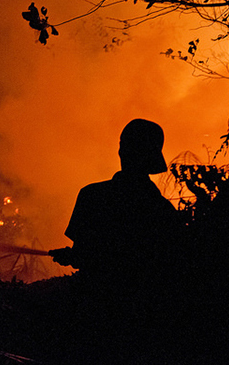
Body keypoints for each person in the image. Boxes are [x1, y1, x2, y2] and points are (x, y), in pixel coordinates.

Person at [50, 118, 179, 284]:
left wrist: (71, 256)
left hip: (97, 299)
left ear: (122, 151)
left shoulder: (92, 196)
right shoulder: (163, 209)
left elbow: (85, 253)